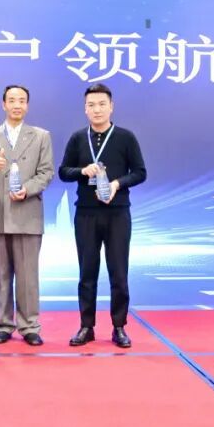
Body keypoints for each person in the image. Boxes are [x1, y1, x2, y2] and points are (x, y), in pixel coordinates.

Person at [58, 83, 146, 348]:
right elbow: (63, 172)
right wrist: (82, 171)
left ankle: (119, 326)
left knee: (119, 272)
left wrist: (117, 184)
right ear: (85, 109)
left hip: (118, 214)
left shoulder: (125, 137)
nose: (97, 109)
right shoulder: (77, 138)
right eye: (91, 105)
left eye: (102, 104)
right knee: (87, 272)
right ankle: (86, 326)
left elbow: (140, 172)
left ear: (111, 106)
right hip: (86, 214)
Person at [0, 85, 54, 346]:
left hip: (27, 211)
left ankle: (30, 326)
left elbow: (46, 172)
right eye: (12, 100)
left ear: (27, 105)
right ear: (3, 104)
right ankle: (3, 324)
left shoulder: (41, 136)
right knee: (0, 275)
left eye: (22, 100)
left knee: (28, 276)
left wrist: (28, 189)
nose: (17, 105)